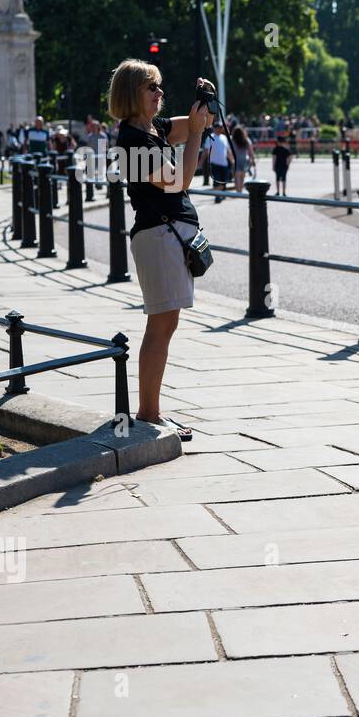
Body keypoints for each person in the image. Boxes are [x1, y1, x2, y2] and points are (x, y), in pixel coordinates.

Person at [109, 58, 213, 442]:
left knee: (166, 323)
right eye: (151, 87)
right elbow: (179, 180)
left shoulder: (152, 129)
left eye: (159, 87)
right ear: (131, 94)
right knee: (161, 323)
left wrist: (202, 103)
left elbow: (193, 123)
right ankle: (149, 414)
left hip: (167, 237)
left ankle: (151, 411)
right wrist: (198, 135)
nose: (159, 93)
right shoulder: (132, 141)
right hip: (158, 239)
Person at [204, 126, 231, 201]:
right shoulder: (210, 137)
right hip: (214, 163)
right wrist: (206, 160)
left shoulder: (224, 138)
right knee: (217, 181)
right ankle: (217, 196)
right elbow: (206, 150)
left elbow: (227, 150)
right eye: (217, 127)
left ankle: (222, 194)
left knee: (224, 180)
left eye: (220, 128)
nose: (219, 129)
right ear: (214, 128)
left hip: (224, 163)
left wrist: (232, 160)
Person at [231, 125, 255, 193]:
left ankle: (238, 190)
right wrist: (252, 160)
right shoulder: (246, 140)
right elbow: (251, 151)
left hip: (236, 160)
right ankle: (240, 190)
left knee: (237, 176)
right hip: (244, 159)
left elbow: (229, 151)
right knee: (242, 175)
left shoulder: (232, 140)